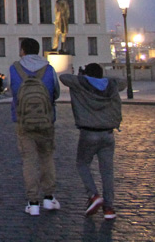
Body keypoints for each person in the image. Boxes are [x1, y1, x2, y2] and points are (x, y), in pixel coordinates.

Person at [59, 63, 125, 219]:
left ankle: (93, 195)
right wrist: (102, 79)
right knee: (107, 171)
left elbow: (63, 77)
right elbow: (122, 80)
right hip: (108, 133)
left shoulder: (80, 83)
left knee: (82, 164)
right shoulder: (112, 85)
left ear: (86, 74)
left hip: (89, 132)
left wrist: (83, 77)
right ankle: (109, 208)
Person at [10, 37, 60, 216]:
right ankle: (49, 198)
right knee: (46, 157)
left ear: (23, 50)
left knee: (29, 160)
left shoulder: (14, 69)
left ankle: (33, 203)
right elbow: (56, 92)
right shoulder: (49, 68)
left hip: (23, 121)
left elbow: (14, 93)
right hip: (46, 120)